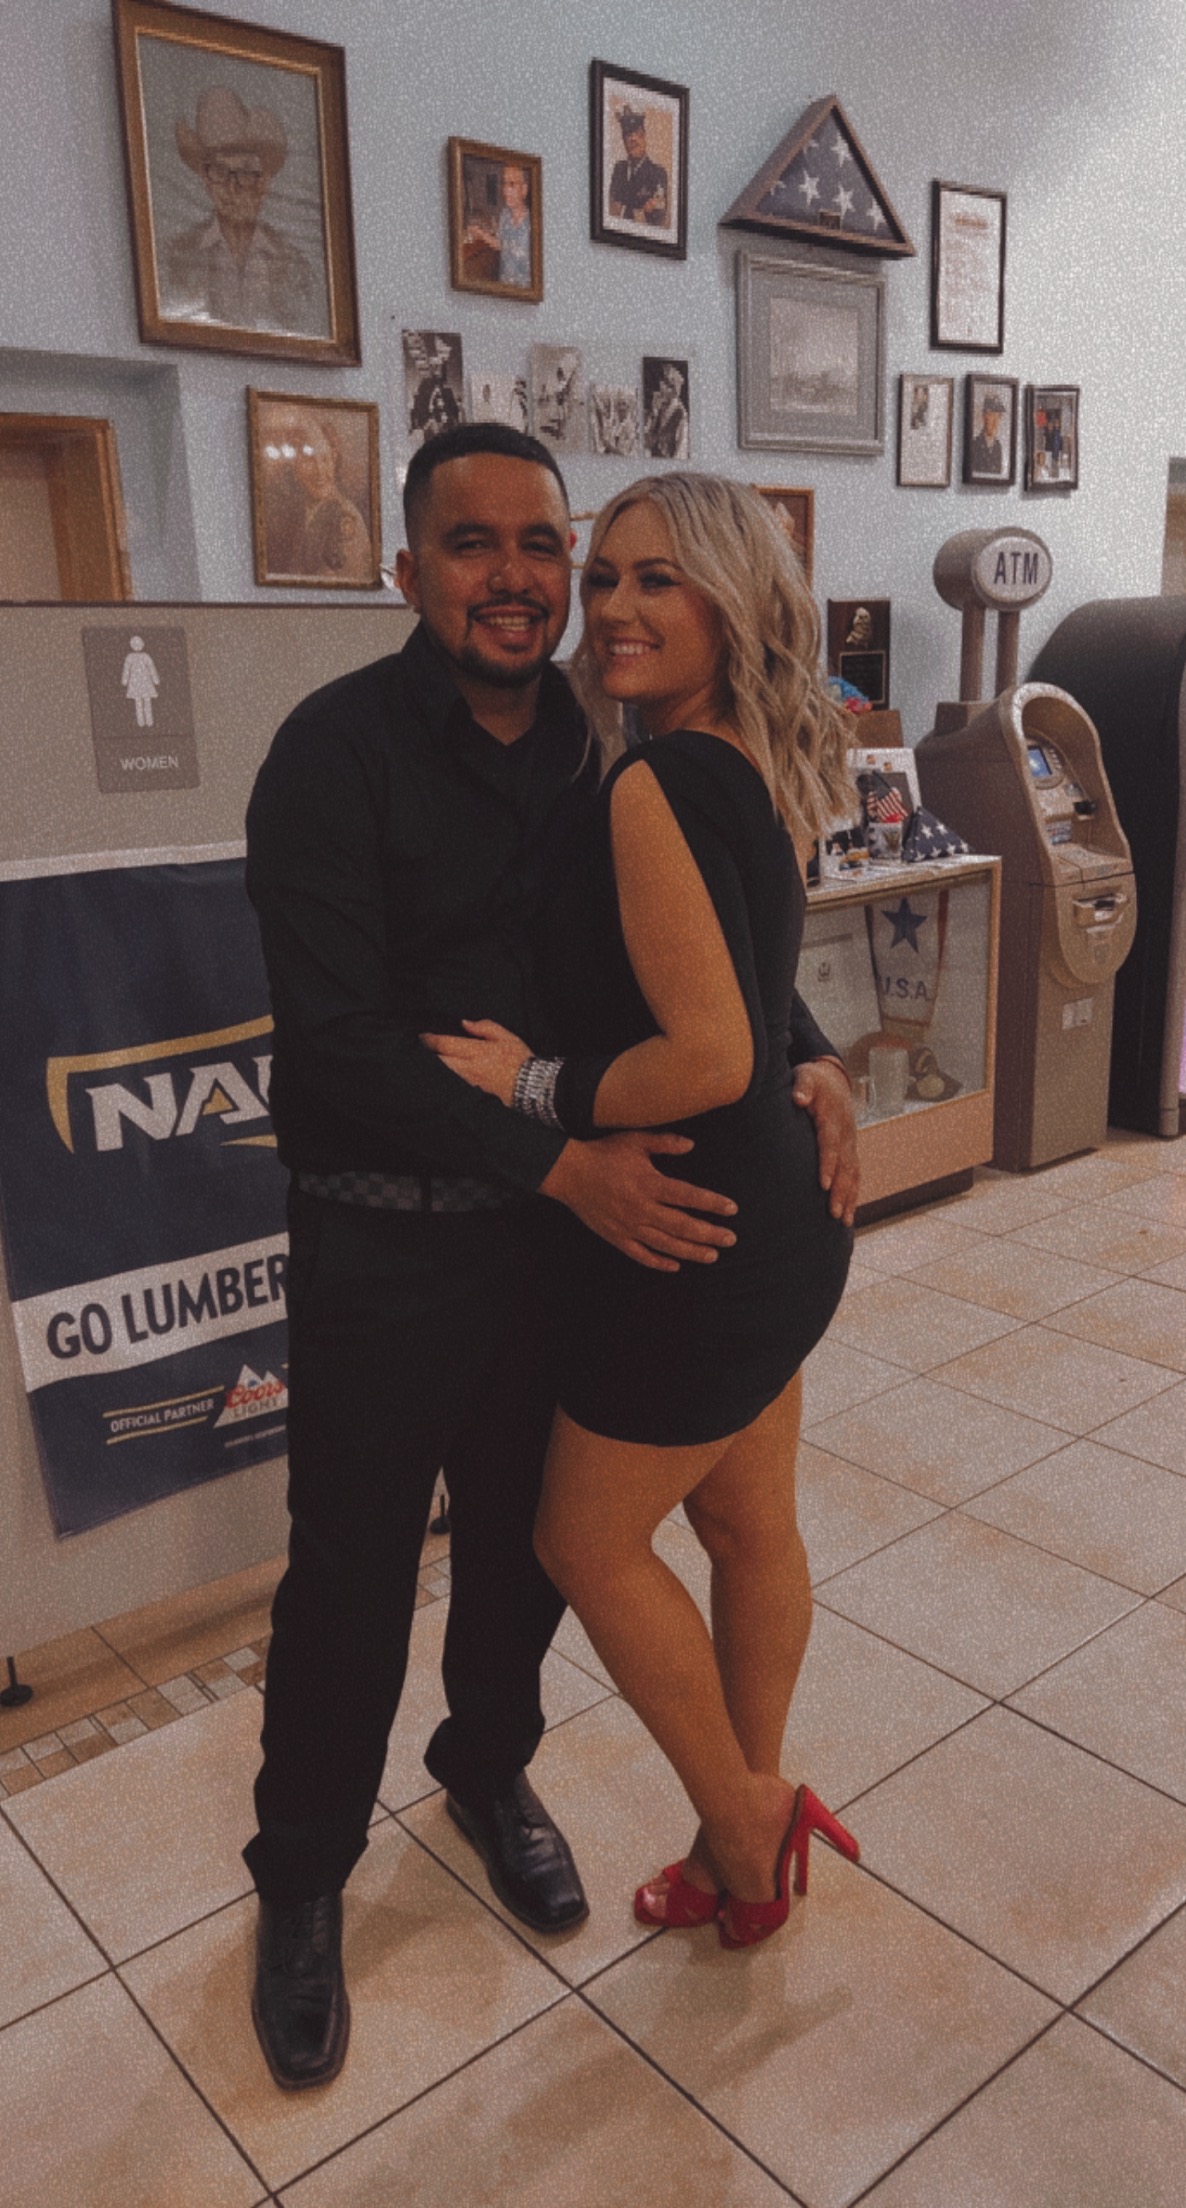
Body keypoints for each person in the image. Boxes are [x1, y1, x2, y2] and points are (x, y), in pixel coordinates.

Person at [246, 424, 847, 2090]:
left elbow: (697, 962)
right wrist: (561, 1156)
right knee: (353, 1578)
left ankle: (486, 1768)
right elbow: (340, 1045)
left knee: (526, 1560)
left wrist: (808, 1053)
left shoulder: (607, 740)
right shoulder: (330, 753)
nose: (519, 578)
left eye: (543, 546)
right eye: (474, 544)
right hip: (386, 1241)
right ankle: (301, 1878)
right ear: (408, 569)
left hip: (562, 1248)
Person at [424, 473, 861, 1952]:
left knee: (585, 1543)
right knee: (746, 1523)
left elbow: (711, 1052)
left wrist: (530, 1083)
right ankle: (740, 1832)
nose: (612, 607)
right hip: (776, 1226)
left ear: (731, 602)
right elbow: (756, 991)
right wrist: (821, 1062)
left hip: (691, 1236)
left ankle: (743, 1828)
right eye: (602, 574)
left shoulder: (654, 781)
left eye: (656, 580)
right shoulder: (748, 755)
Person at [166, 86, 321, 334]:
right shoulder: (177, 256)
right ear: (205, 181)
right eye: (219, 172)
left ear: (265, 182)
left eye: (246, 173)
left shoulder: (295, 265)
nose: (233, 187)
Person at [265, 411, 373, 583]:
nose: (320, 471)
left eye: (325, 459)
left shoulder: (344, 516)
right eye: (309, 460)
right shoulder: (299, 512)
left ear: (334, 459)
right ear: (295, 466)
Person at [464, 162, 533, 288]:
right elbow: (500, 244)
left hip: (525, 289)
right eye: (504, 184)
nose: (505, 190)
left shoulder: (533, 222)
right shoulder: (505, 215)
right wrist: (481, 234)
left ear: (524, 189)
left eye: (512, 184)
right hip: (505, 285)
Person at [608, 107, 668, 225]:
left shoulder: (658, 173)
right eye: (628, 135)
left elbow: (658, 219)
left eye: (637, 133)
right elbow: (611, 210)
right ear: (624, 141)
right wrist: (639, 209)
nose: (633, 139)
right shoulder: (619, 169)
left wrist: (627, 209)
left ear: (644, 137)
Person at [644, 362, 690, 460]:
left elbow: (681, 454)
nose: (661, 387)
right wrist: (654, 414)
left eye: (666, 383)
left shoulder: (681, 416)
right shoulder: (659, 407)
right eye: (662, 382)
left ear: (674, 390)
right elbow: (647, 440)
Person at [971, 393, 1005, 475]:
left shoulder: (998, 447)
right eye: (991, 415)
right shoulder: (974, 445)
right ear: (984, 417)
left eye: (998, 416)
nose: (995, 421)